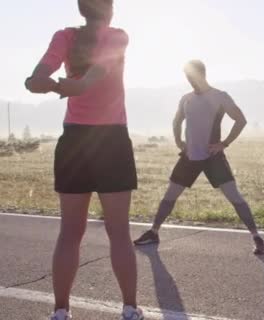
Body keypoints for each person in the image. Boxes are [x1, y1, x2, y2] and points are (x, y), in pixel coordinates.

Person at [24, 0, 143, 319]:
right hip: (111, 141)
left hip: (75, 140)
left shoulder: (64, 36)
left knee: (70, 232)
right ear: (110, 9)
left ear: (81, 8)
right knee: (119, 230)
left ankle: (60, 312)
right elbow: (94, 76)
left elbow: (47, 76)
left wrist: (44, 83)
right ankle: (130, 309)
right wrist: (50, 83)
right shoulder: (118, 36)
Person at [133, 60, 264, 255]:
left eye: (192, 75)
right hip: (189, 157)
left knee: (235, 198)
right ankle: (153, 232)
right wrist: (179, 141)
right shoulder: (186, 98)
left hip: (213, 157)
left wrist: (224, 143)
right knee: (169, 196)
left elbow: (241, 119)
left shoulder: (220, 96)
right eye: (186, 76)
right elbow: (177, 120)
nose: (189, 79)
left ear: (202, 74)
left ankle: (256, 237)